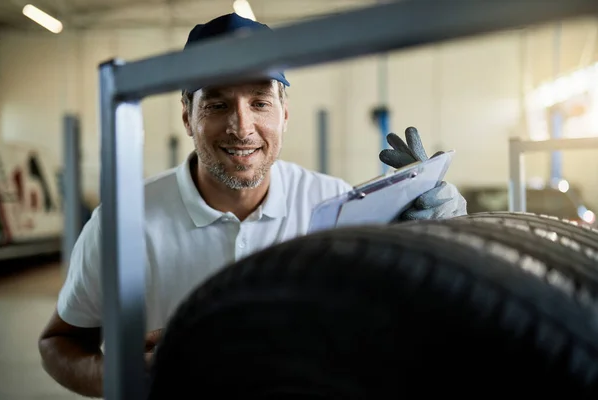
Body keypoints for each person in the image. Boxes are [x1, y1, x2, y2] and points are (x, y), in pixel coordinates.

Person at [38, 13, 467, 398]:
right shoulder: (123, 220)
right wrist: (123, 376)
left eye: (260, 102)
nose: (242, 127)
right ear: (187, 116)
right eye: (218, 104)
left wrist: (445, 233)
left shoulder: (334, 205)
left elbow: (406, 319)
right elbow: (57, 343)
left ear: (284, 112)